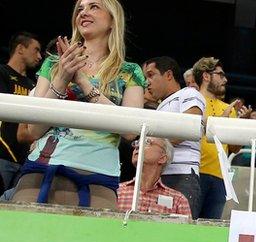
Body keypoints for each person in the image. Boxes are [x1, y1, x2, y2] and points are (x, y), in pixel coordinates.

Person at [14, 0, 145, 209]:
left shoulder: (130, 71)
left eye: (94, 6)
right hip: (41, 169)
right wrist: (62, 78)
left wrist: (83, 82)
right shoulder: (54, 64)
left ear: (113, 19)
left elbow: (130, 131)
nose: (84, 12)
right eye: (80, 9)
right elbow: (34, 129)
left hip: (98, 176)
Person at [142, 56, 206, 217]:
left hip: (181, 175)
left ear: (169, 75)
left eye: (151, 75)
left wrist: (152, 143)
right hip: (160, 177)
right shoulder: (160, 107)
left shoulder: (189, 93)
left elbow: (188, 128)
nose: (146, 82)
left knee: (180, 234)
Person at [194, 56, 247, 219]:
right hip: (194, 174)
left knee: (211, 229)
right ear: (206, 76)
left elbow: (234, 148)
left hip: (220, 178)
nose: (225, 79)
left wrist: (239, 125)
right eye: (220, 75)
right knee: (187, 225)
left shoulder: (228, 108)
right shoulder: (192, 101)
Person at [0, 31, 42, 191]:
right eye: (36, 50)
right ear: (20, 49)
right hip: (2, 154)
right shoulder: (2, 73)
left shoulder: (33, 85)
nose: (39, 57)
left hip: (25, 159)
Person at [115, 136, 190, 216]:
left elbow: (187, 229)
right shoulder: (117, 191)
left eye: (147, 142)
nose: (137, 146)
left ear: (162, 158)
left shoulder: (178, 200)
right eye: (137, 143)